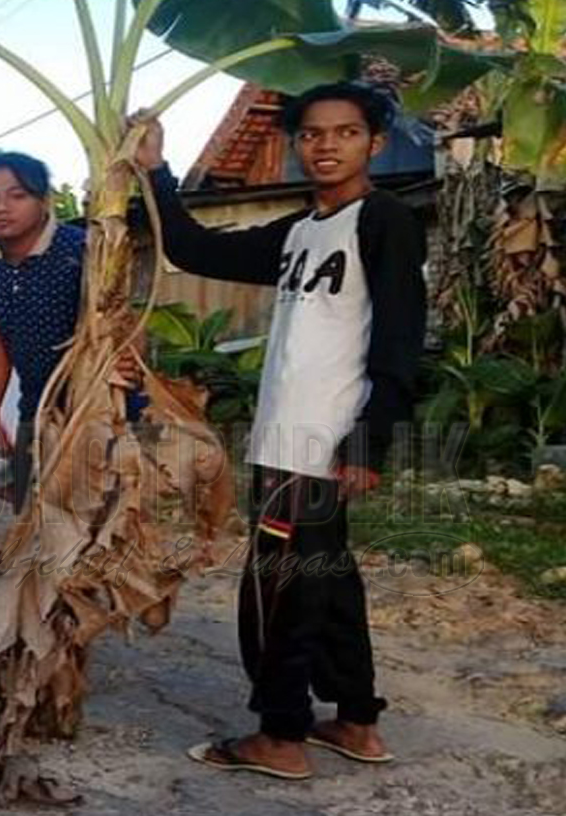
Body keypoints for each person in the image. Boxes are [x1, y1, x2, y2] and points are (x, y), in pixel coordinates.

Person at [135, 82, 427, 780]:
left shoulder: (382, 220)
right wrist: (155, 170)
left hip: (316, 440)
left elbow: (399, 335)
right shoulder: (301, 230)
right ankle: (357, 720)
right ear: (297, 144)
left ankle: (280, 734)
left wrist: (368, 439)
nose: (326, 145)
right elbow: (195, 250)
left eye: (345, 133)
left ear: (374, 144)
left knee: (281, 588)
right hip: (286, 440)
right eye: (312, 134)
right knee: (329, 581)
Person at [0, 152, 136, 509]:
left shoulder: (86, 250)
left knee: (112, 525)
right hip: (39, 411)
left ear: (44, 201)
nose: (1, 208)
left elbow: (125, 322)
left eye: (17, 195)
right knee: (36, 520)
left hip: (103, 408)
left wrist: (128, 359)